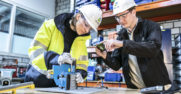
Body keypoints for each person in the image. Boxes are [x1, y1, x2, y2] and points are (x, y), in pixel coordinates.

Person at [96, 0, 171, 89]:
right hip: (135, 89)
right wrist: (105, 56)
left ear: (133, 12)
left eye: (124, 16)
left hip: (157, 88)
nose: (120, 21)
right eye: (117, 17)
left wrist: (123, 44)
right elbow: (116, 65)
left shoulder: (151, 26)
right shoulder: (121, 35)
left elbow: (153, 48)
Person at [25, 4, 102, 87]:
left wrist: (81, 73)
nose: (87, 30)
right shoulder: (50, 26)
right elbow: (35, 52)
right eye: (86, 25)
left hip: (57, 87)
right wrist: (57, 59)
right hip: (36, 83)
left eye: (90, 29)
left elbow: (82, 64)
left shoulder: (81, 41)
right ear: (78, 16)